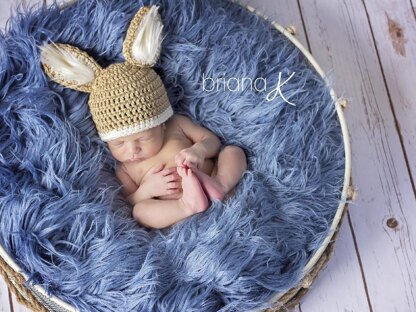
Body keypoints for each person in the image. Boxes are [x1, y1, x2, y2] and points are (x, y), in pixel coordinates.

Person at [40, 5, 246, 229]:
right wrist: (147, 190)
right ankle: (188, 206)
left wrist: (199, 150)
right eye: (119, 143)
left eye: (142, 138)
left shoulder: (177, 125)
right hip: (177, 206)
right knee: (140, 211)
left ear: (161, 124)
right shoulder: (126, 170)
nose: (132, 150)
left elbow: (213, 142)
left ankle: (221, 186)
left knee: (233, 151)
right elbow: (127, 203)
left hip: (210, 176)